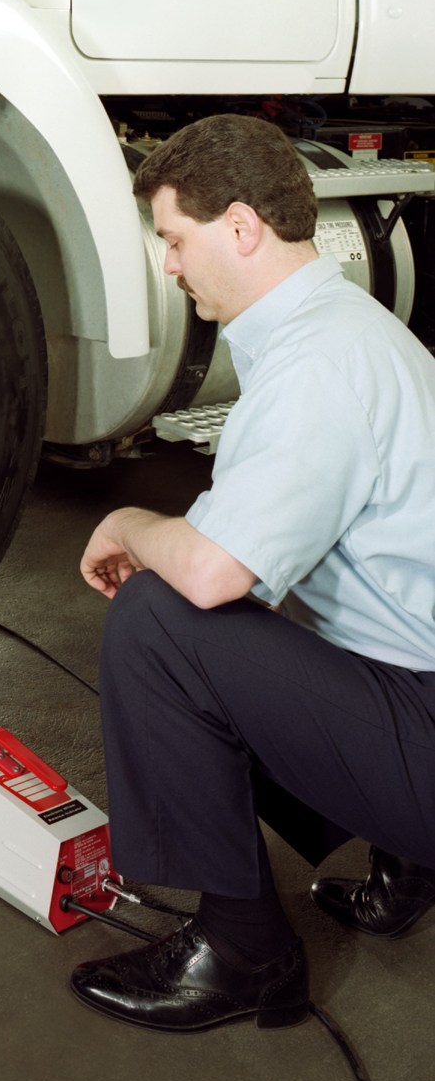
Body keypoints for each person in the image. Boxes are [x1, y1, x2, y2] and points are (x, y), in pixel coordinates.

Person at [71, 113, 435, 1032]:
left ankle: (243, 952)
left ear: (239, 228)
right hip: (416, 678)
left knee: (160, 622)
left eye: (174, 238)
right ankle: (407, 853)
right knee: (220, 606)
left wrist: (124, 519)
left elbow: (210, 576)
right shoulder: (347, 324)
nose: (168, 264)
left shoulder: (318, 367)